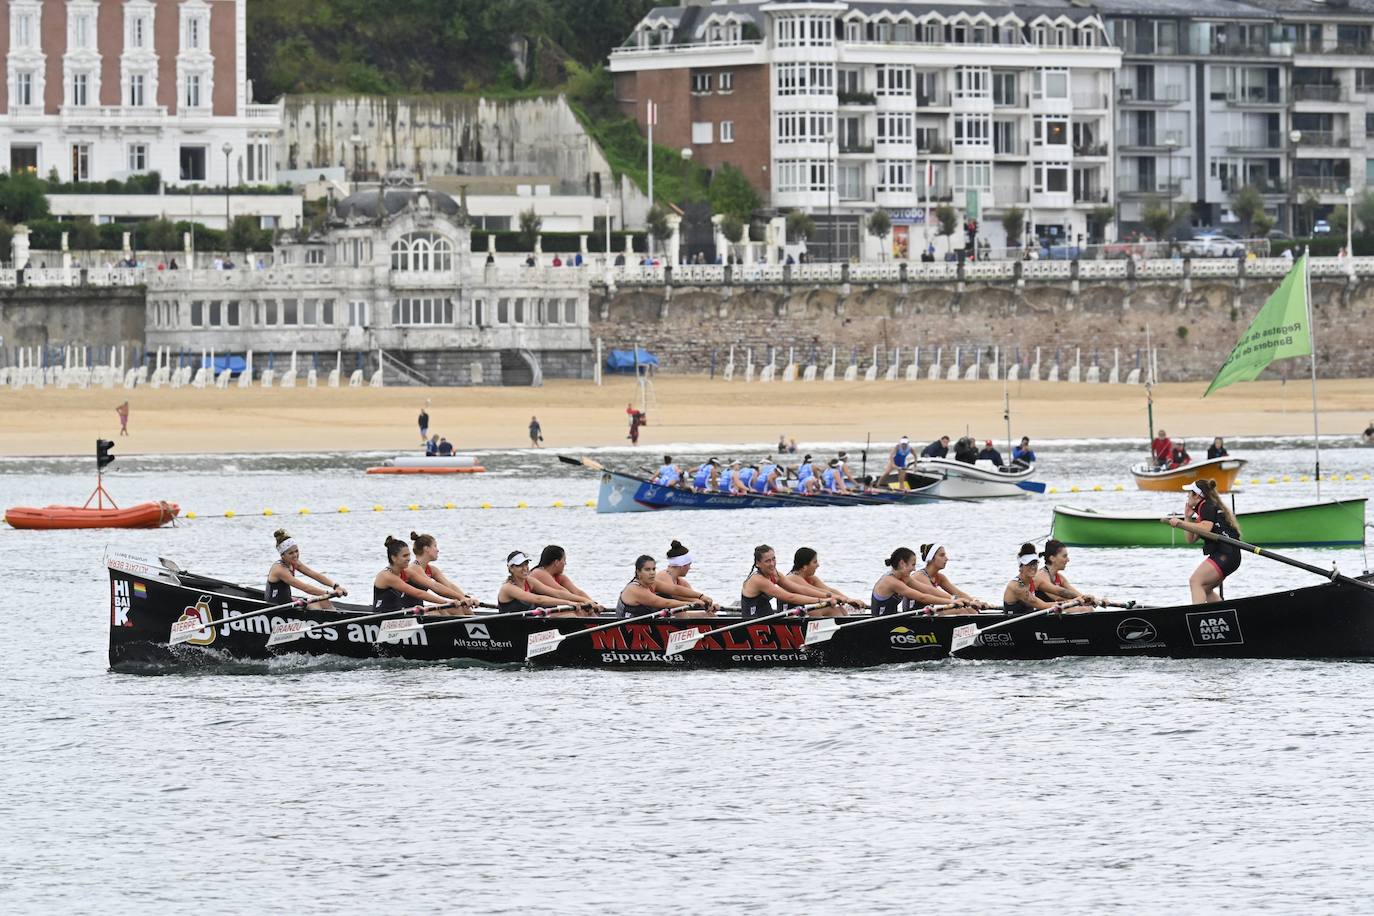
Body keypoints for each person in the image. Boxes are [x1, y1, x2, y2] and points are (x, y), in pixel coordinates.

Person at [1163, 480, 1243, 604]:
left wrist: (1180, 523)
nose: (1187, 497)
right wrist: (1187, 517)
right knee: (1205, 589)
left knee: (1195, 581)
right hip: (1230, 555)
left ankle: (1197, 617)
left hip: (1226, 553)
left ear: (1197, 496)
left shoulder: (1206, 506)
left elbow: (1206, 528)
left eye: (1189, 494)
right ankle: (1222, 614)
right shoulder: (1204, 509)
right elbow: (1191, 539)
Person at [741, 545, 840, 619]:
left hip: (768, 619)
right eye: (767, 561)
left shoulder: (775, 575)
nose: (772, 564)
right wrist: (821, 600)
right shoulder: (757, 580)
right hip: (752, 623)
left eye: (773, 559)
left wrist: (830, 596)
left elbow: (800, 589)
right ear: (758, 563)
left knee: (833, 610)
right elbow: (790, 597)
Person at [871, 548, 975, 616]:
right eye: (913, 565)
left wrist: (956, 599)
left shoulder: (905, 578)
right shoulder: (890, 581)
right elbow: (922, 597)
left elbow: (928, 590)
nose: (914, 569)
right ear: (902, 563)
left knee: (968, 611)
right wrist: (951, 602)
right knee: (961, 611)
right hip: (882, 625)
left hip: (896, 620)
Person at [266, 529, 346, 609]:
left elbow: (315, 575)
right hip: (276, 606)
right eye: (291, 553)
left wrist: (335, 586)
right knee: (315, 605)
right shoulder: (279, 569)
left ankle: (333, 615)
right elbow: (305, 588)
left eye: (296, 551)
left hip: (287, 601)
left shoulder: (294, 562)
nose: (295, 555)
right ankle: (324, 619)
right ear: (282, 555)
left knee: (323, 600)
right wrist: (330, 593)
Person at [1003, 543, 1090, 615]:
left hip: (1029, 620)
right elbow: (1044, 606)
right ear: (1020, 567)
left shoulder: (1033, 580)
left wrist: (1085, 598)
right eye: (1028, 564)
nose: (1033, 567)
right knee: (1081, 610)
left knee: (1086, 609)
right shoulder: (1017, 587)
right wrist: (1073, 601)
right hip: (1017, 626)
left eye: (1034, 563)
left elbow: (1060, 591)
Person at [405, 532, 478, 616]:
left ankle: (476, 623)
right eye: (435, 546)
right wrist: (460, 598)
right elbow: (435, 586)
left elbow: (449, 586)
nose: (438, 550)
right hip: (408, 611)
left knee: (462, 607)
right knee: (444, 611)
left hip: (420, 608)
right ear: (426, 549)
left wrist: (466, 598)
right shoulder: (414, 568)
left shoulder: (432, 570)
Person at [373, 536, 452, 613]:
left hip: (398, 613)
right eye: (405, 556)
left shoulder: (407, 572)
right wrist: (445, 602)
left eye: (409, 555)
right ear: (394, 558)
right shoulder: (386, 576)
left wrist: (460, 597)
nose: (409, 559)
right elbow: (418, 593)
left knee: (443, 611)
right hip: (381, 615)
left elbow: (433, 585)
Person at [618, 555, 711, 619]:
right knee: (674, 607)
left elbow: (674, 589)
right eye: (647, 569)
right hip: (630, 628)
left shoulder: (652, 583)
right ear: (638, 572)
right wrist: (693, 604)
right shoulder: (634, 589)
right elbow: (666, 603)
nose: (652, 573)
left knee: (708, 615)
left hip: (647, 622)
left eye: (653, 569)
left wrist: (701, 597)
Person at [497, 551, 585, 617]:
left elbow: (556, 593)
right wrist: (569, 603)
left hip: (529, 621)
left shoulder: (530, 581)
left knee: (578, 613)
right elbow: (539, 599)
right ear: (511, 568)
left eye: (526, 564)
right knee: (571, 616)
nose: (525, 568)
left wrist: (585, 601)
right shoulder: (508, 588)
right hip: (512, 626)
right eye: (520, 565)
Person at [781, 548, 865, 609]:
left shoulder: (811, 578)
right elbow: (816, 592)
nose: (818, 565)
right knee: (832, 610)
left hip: (801, 613)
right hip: (789, 616)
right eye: (815, 562)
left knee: (838, 609)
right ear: (804, 567)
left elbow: (828, 590)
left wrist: (849, 599)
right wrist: (843, 599)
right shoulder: (792, 578)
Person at [530, 545, 603, 615]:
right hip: (537, 614)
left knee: (585, 611)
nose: (565, 563)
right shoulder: (538, 573)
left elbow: (577, 592)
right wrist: (585, 601)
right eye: (564, 560)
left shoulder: (560, 577)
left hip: (550, 612)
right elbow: (560, 592)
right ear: (556, 562)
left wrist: (593, 603)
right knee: (578, 612)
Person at [654, 540, 721, 611]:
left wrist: (708, 604)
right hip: (656, 614)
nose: (690, 568)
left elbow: (695, 598)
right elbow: (674, 594)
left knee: (709, 614)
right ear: (682, 566)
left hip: (673, 614)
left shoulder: (682, 582)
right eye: (689, 565)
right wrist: (697, 601)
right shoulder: (663, 575)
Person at [915, 544, 986, 606]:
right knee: (963, 610)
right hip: (913, 614)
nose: (946, 558)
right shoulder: (920, 576)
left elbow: (958, 593)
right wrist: (957, 600)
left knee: (971, 610)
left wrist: (974, 601)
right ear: (931, 559)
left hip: (928, 613)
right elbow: (934, 593)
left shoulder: (940, 577)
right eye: (942, 555)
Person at [1033, 540, 1099, 605]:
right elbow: (1057, 598)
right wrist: (1081, 599)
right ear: (1052, 558)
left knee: (1086, 608)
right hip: (1041, 611)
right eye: (1064, 556)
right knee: (1085, 609)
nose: (1068, 560)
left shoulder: (1060, 578)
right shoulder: (1041, 576)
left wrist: (1095, 600)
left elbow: (1078, 594)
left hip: (1056, 611)